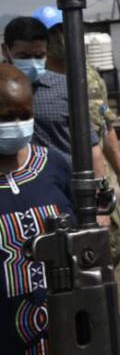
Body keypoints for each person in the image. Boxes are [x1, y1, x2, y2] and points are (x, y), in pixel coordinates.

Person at [33, 6, 120, 264]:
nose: (61, 38)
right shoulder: (34, 82)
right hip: (60, 183)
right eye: (52, 32)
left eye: (64, 30)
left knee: (111, 247)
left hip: (98, 176)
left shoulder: (89, 76)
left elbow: (105, 126)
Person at [0, 64, 75, 355]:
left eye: (24, 115)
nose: (17, 125)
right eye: (6, 118)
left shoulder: (52, 165)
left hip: (63, 335)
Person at [3, 17, 109, 228]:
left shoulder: (65, 88)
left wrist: (100, 205)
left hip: (63, 194)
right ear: (6, 51)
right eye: (24, 56)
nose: (33, 63)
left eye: (39, 55)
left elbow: (92, 146)